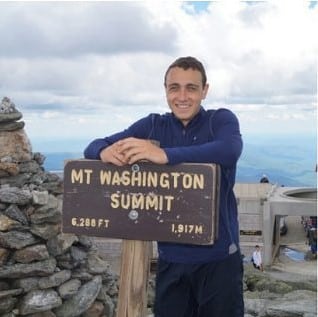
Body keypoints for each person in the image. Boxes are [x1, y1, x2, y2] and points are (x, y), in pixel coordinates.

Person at [84, 56, 244, 317]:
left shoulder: (220, 120)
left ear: (204, 91)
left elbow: (229, 150)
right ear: (166, 91)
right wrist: (103, 151)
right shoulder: (153, 125)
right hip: (171, 261)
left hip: (219, 261)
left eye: (191, 88)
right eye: (174, 88)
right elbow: (94, 145)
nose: (182, 96)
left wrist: (165, 155)